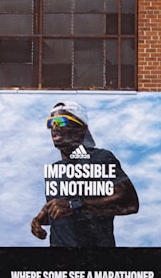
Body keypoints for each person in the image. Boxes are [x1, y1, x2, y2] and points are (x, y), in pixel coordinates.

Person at [30, 101, 139, 247]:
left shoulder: (100, 158)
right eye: (51, 123)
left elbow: (130, 202)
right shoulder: (54, 170)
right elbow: (63, 209)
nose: (54, 127)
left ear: (81, 129)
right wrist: (42, 217)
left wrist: (75, 205)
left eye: (61, 121)